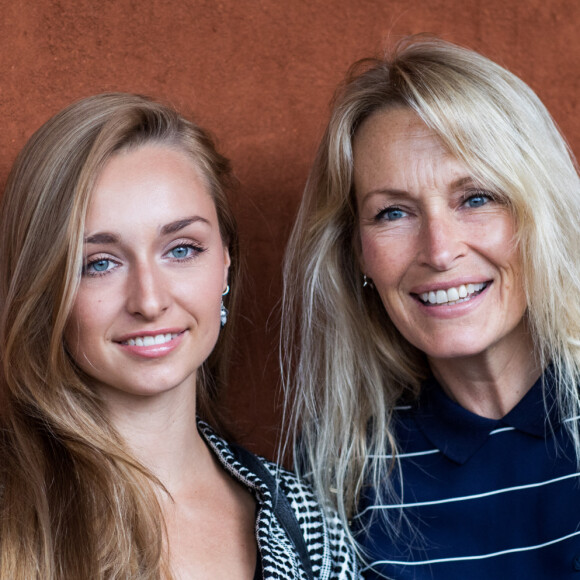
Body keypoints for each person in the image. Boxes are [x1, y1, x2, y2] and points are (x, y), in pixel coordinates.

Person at [0, 93, 358, 579]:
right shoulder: (11, 512)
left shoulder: (313, 530)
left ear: (225, 260)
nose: (149, 301)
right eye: (99, 263)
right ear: (47, 289)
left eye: (182, 250)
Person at [282, 36, 580, 579]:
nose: (440, 252)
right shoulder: (338, 471)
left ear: (540, 212)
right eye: (393, 212)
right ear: (358, 252)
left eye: (476, 198)